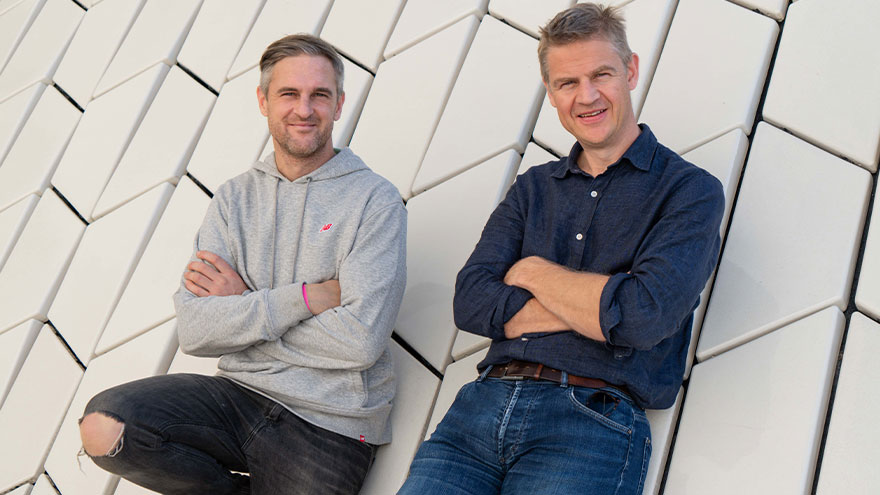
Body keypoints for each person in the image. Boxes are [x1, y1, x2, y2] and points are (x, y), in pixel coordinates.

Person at [399, 4, 724, 494]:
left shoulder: (689, 191)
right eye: (568, 82)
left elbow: (643, 318)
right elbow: (471, 302)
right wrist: (602, 307)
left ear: (631, 70)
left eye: (601, 75)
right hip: (477, 413)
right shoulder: (533, 187)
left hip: (591, 420)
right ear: (551, 93)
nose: (586, 96)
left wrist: (531, 272)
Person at [78, 34, 407, 494]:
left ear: (338, 105)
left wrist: (243, 310)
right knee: (105, 428)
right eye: (289, 94)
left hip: (329, 422)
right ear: (263, 101)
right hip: (237, 397)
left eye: (319, 95)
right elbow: (196, 330)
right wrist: (305, 298)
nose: (304, 109)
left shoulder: (375, 201)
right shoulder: (234, 199)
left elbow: (360, 342)